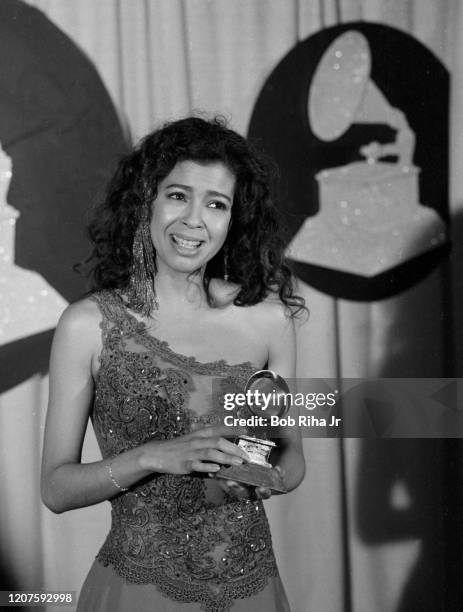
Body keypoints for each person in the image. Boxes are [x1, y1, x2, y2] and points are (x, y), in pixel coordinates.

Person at [41, 116, 306, 612]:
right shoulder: (88, 324)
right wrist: (152, 457)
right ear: (147, 200)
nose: (194, 221)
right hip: (138, 591)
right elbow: (56, 488)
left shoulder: (268, 322)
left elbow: (291, 459)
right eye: (179, 195)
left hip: (252, 590)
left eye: (216, 204)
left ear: (234, 220)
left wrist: (257, 474)